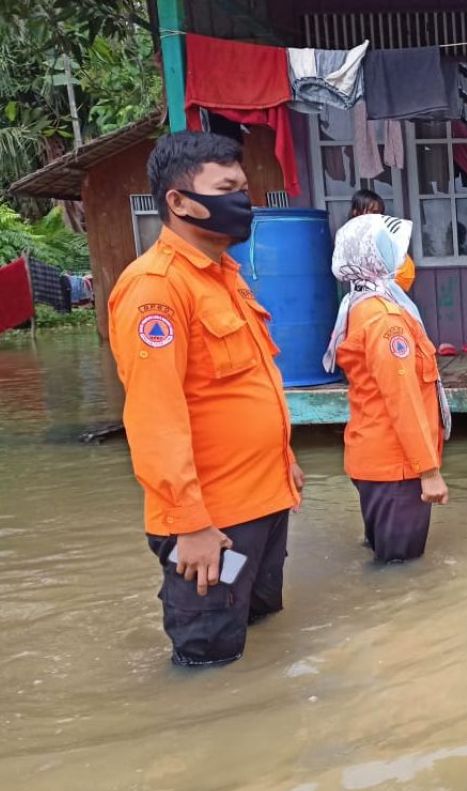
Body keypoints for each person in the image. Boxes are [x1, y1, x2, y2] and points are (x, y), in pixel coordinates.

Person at [107, 132, 305, 666]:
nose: (243, 199)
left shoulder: (225, 277)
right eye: (226, 188)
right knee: (210, 659)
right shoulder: (156, 288)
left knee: (260, 628)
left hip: (264, 505)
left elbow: (246, 386)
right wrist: (190, 525)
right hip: (212, 524)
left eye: (243, 187)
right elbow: (154, 416)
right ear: (178, 201)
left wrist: (284, 460)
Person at [322, 214, 451, 562]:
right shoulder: (385, 320)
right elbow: (403, 398)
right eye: (395, 251)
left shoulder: (361, 306)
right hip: (397, 467)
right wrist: (429, 471)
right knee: (401, 573)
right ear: (374, 258)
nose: (404, 261)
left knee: (387, 562)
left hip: (378, 460)